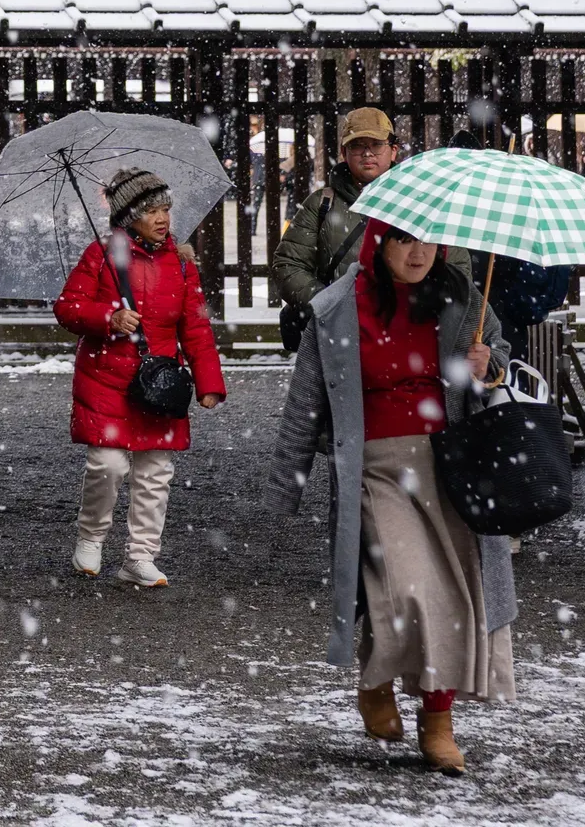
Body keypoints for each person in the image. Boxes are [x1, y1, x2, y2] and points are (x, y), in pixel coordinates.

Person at [270, 220, 514, 775]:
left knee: (455, 598)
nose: (419, 251)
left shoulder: (461, 297)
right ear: (379, 243)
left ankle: (437, 723)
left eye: (431, 240)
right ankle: (377, 677)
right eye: (405, 238)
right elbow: (307, 397)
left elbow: (500, 358)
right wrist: (289, 480)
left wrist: (488, 367)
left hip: (451, 465)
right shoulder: (338, 307)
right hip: (373, 466)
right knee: (405, 589)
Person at [52, 169, 227, 587]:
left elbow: (196, 327)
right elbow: (67, 308)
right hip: (106, 378)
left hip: (158, 384)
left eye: (165, 208)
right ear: (129, 215)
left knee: (155, 473)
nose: (162, 217)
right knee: (107, 464)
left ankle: (141, 555)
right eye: (151, 210)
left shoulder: (181, 266)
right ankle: (91, 538)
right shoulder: (100, 255)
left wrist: (208, 382)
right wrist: (108, 318)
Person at [272, 109, 468, 351]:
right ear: (344, 153)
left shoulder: (422, 204)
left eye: (376, 144)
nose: (367, 153)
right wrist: (330, 305)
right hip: (336, 340)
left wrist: (417, 307)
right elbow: (288, 265)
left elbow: (457, 269)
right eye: (357, 145)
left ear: (393, 150)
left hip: (409, 335)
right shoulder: (322, 204)